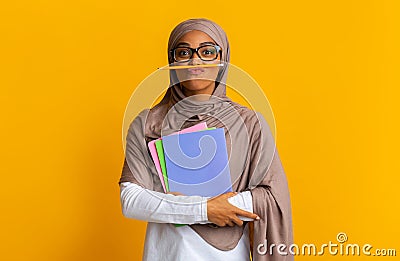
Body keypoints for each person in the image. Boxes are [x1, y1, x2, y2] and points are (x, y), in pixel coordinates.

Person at [119, 18, 293, 261]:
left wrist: (185, 205)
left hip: (227, 255)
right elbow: (131, 200)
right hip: (167, 253)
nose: (195, 60)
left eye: (208, 51)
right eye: (184, 52)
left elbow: (272, 196)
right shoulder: (148, 123)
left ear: (222, 60)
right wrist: (204, 209)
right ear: (172, 61)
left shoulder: (249, 123)